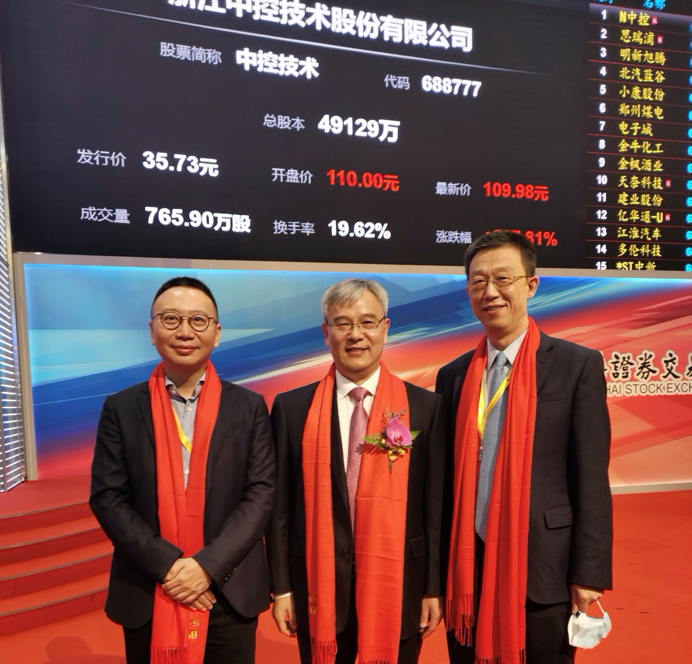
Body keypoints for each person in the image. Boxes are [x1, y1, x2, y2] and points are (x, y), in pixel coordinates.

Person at [436, 231, 612, 664]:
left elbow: (591, 478)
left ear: (531, 285)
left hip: (543, 566)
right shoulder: (453, 376)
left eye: (503, 279)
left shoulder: (575, 366)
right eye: (478, 281)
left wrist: (588, 572)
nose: (490, 292)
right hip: (467, 564)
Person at [90, 276, 275, 663]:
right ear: (152, 330)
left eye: (198, 320)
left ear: (217, 333)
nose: (185, 331)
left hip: (228, 588)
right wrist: (170, 567)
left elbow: (260, 494)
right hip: (152, 584)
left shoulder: (249, 406)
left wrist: (206, 568)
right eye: (171, 319)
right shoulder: (122, 408)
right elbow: (108, 498)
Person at [266, 278, 446, 664]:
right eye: (343, 323)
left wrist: (433, 587)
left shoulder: (425, 408)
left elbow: (434, 508)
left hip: (402, 581)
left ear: (385, 327)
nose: (356, 334)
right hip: (316, 582)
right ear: (325, 332)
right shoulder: (291, 409)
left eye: (367, 322)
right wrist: (282, 588)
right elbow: (279, 510)